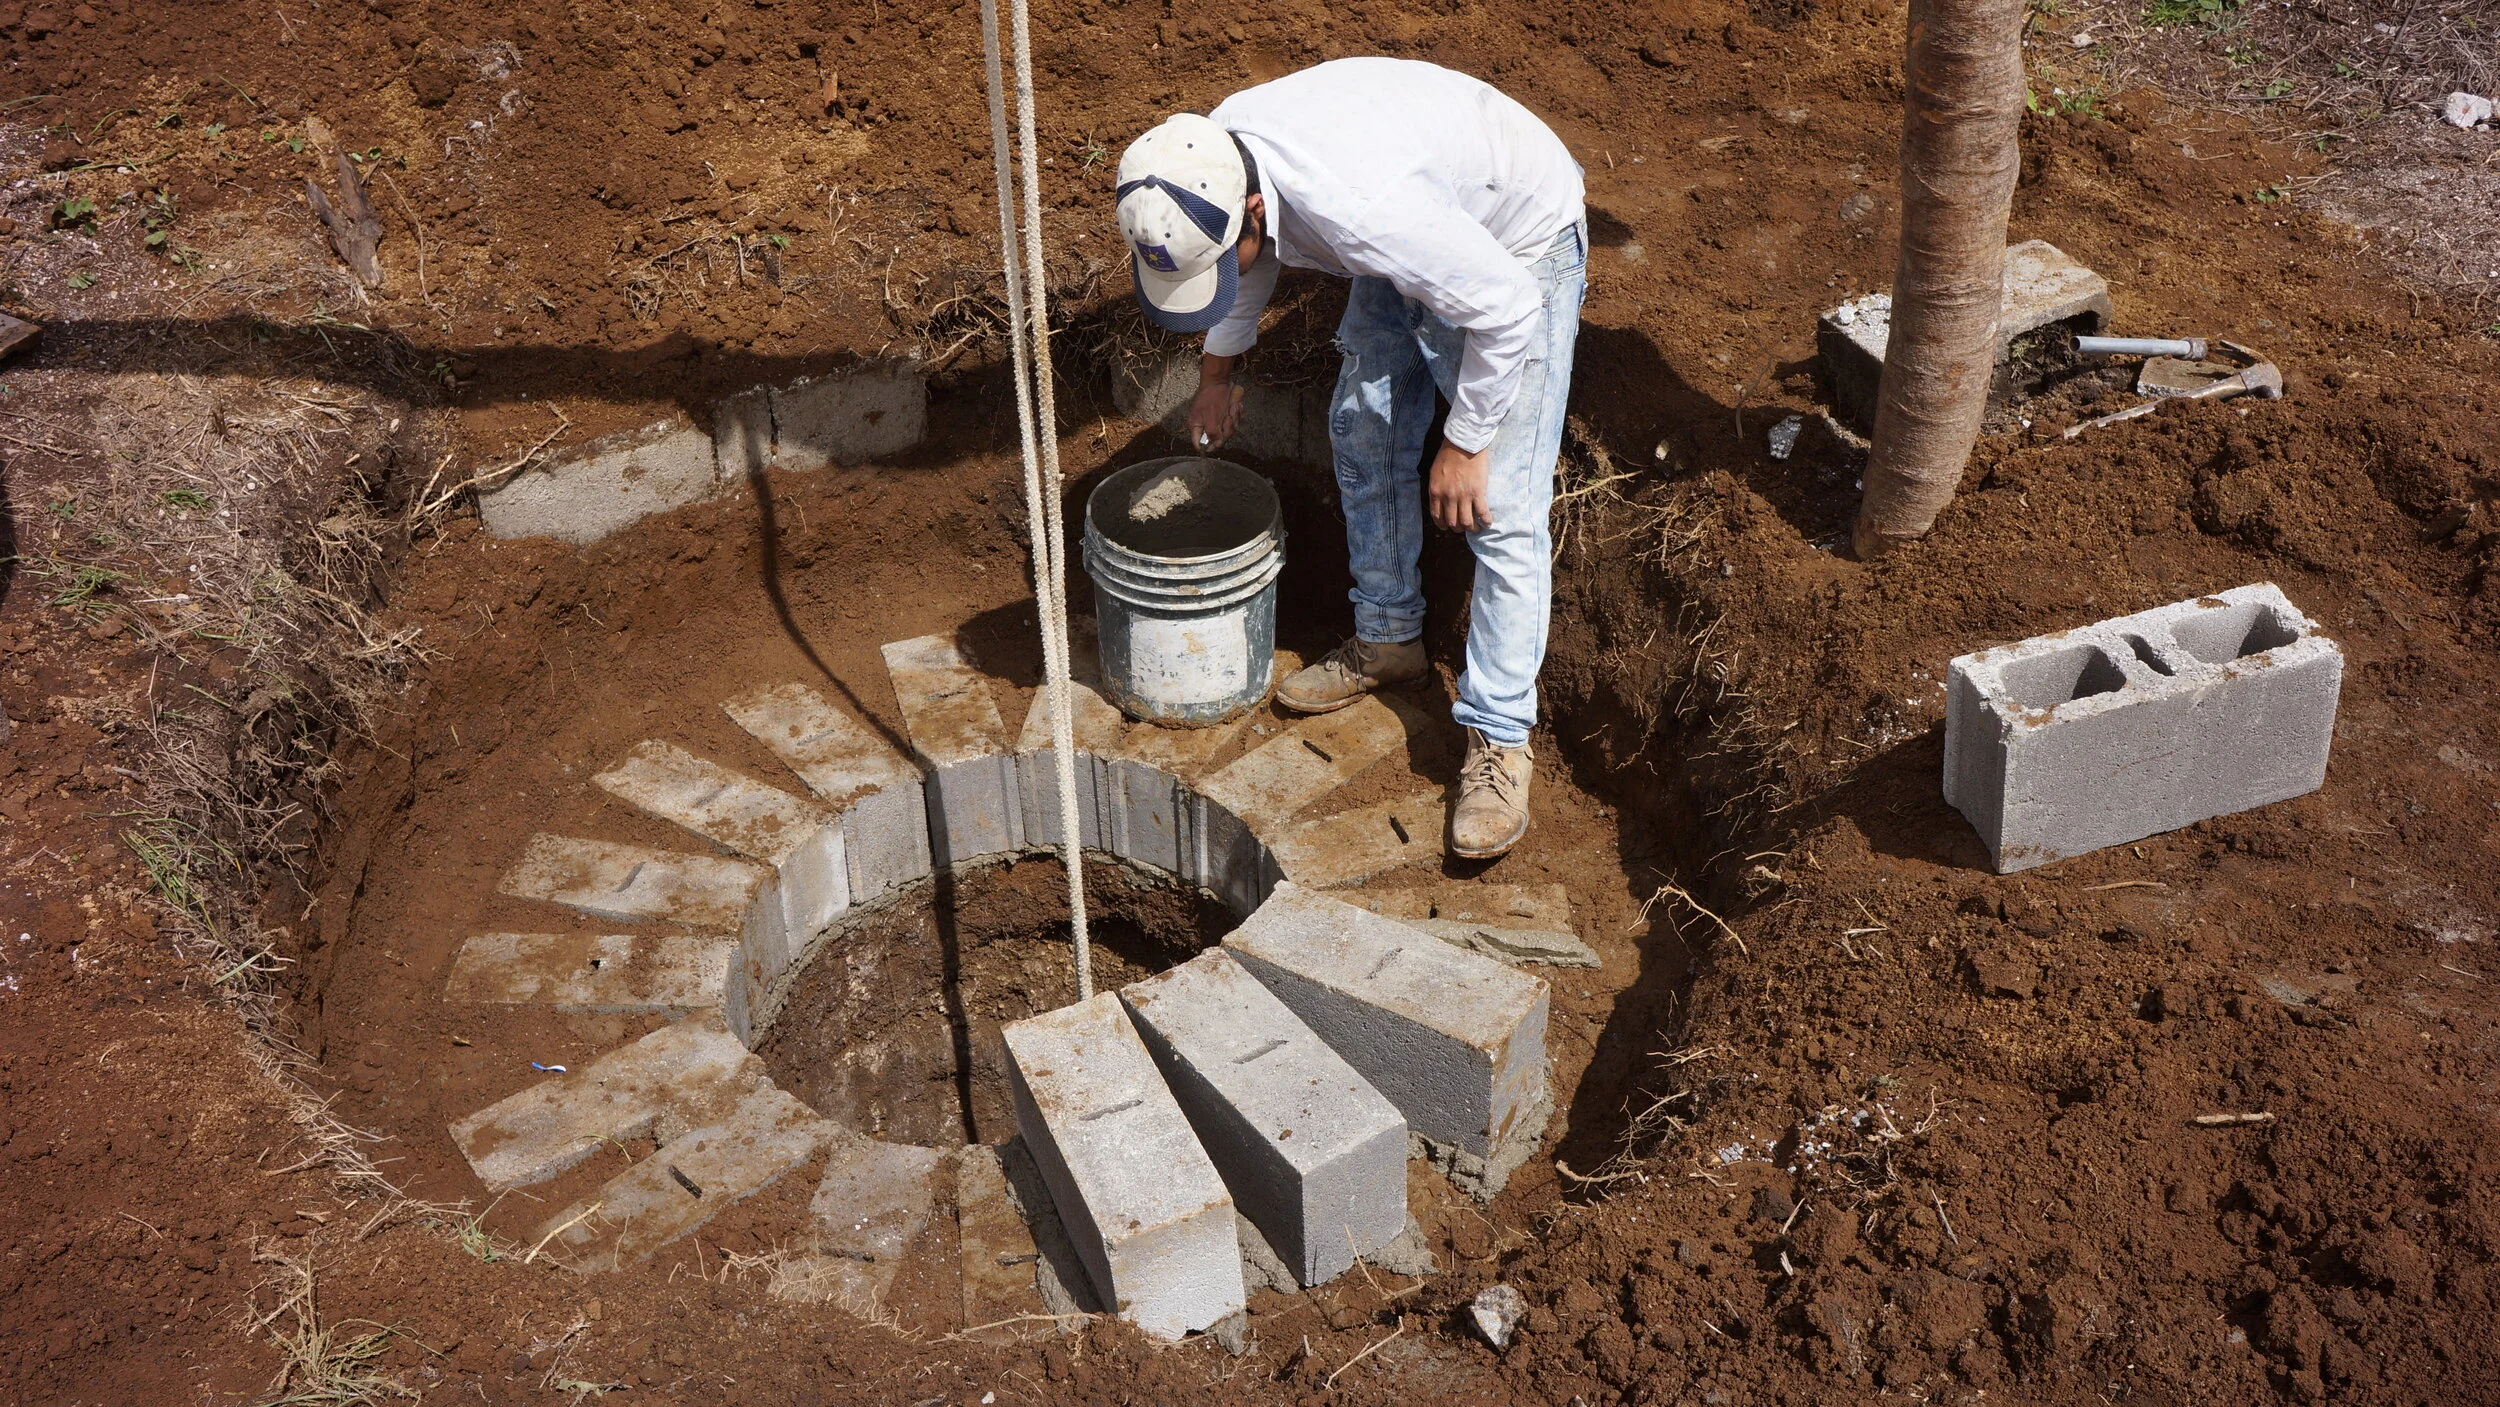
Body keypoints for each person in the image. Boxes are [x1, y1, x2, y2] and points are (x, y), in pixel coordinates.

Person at [1114, 57, 1586, 859]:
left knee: (1500, 503)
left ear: (1253, 207)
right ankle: (1389, 637)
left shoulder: (1363, 210)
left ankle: (1500, 739)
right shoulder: (1210, 154)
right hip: (1427, 218)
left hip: (1515, 241)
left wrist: (1467, 443)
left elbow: (1505, 308)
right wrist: (1218, 373)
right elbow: (1252, 254)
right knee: (1362, 427)